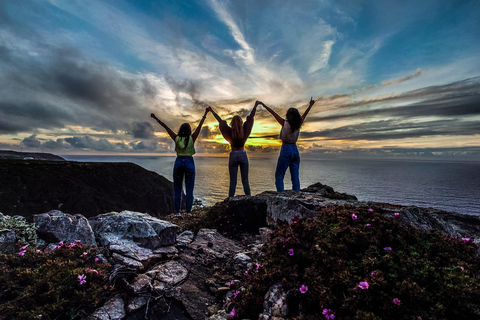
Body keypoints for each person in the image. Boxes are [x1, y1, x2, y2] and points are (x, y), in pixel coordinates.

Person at [150, 108, 209, 215]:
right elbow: (200, 126)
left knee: (177, 189)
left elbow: (166, 127)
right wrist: (205, 114)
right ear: (189, 131)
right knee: (189, 190)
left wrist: (156, 119)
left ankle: (177, 212)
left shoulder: (176, 138)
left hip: (178, 162)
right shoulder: (192, 138)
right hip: (189, 162)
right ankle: (188, 212)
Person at [259, 98, 316, 192]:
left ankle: (281, 196)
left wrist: (264, 105)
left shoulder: (284, 123)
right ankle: (297, 194)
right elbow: (305, 114)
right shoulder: (299, 123)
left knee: (279, 175)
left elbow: (273, 113)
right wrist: (310, 105)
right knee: (295, 177)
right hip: (295, 150)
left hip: (286, 149)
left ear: (288, 116)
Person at [207, 101, 259, 197]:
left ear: (232, 123)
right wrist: (255, 106)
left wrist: (212, 111)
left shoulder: (229, 131)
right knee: (245, 180)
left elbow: (220, 121)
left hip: (233, 155)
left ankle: (230, 201)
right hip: (242, 154)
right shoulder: (245, 130)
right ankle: (249, 199)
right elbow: (251, 118)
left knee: (233, 182)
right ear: (241, 122)